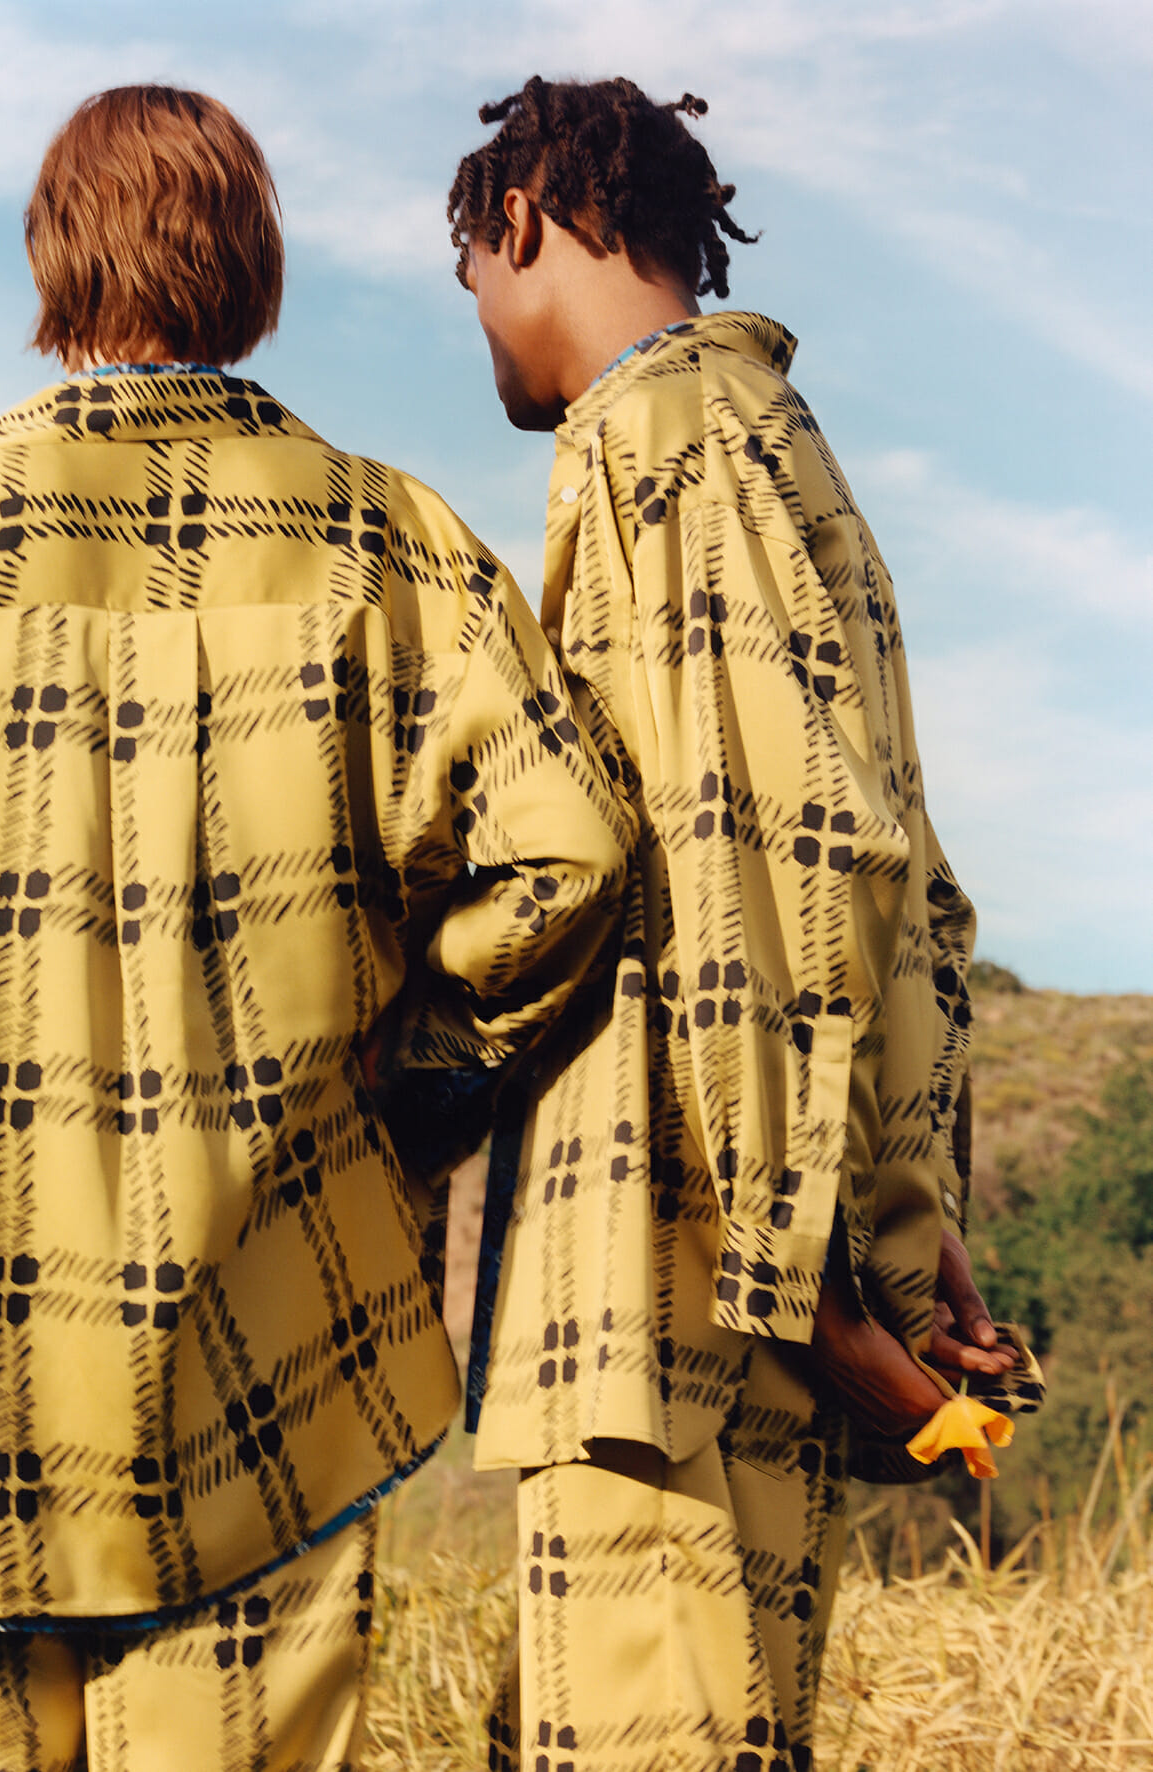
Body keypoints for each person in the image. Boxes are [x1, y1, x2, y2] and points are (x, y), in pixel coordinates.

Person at [0, 84, 634, 1772]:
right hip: (276, 1354)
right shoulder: (391, 541)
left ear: (51, 260)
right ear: (259, 270)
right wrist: (416, 1078)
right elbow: (568, 855)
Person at [447, 76, 1040, 1772]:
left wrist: (821, 1302)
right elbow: (884, 886)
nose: (475, 316)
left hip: (680, 1291)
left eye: (468, 270)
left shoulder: (660, 445)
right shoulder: (769, 442)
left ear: (522, 221)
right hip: (759, 1264)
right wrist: (907, 1243)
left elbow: (747, 872)